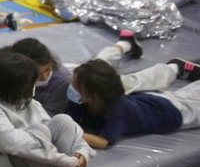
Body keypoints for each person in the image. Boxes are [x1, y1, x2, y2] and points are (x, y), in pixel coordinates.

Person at [8, 35, 185, 117]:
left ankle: (174, 68)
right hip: (77, 74)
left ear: (50, 63)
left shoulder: (60, 82)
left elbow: (47, 116)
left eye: (47, 70)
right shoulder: (15, 69)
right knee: (99, 62)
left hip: (80, 81)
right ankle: (125, 44)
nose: (44, 75)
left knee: (127, 83)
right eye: (39, 74)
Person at [66, 59, 200, 150]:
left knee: (190, 102)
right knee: (185, 96)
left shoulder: (115, 108)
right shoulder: (79, 99)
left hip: (170, 113)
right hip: (148, 101)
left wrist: (70, 133)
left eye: (75, 85)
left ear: (92, 96)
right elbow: (68, 120)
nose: (71, 86)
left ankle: (178, 68)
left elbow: (103, 142)